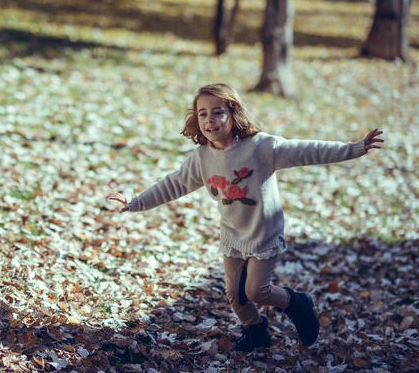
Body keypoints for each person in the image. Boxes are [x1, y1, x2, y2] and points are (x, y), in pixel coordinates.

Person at [106, 83, 383, 352]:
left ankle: (296, 302)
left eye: (217, 112)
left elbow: (306, 150)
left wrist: (354, 148)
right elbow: (173, 184)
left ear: (234, 114)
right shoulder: (202, 158)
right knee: (235, 296)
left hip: (262, 233)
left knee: (256, 292)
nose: (209, 119)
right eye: (202, 113)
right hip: (233, 234)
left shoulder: (261, 148)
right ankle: (256, 332)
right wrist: (135, 201)